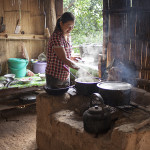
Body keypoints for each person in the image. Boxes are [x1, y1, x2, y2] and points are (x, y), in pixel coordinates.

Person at [46, 12, 79, 89]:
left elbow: (66, 55)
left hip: (65, 75)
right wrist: (80, 69)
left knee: (65, 99)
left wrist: (72, 58)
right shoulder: (56, 37)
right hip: (54, 76)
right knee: (55, 99)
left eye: (72, 26)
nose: (70, 29)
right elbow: (63, 58)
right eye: (69, 26)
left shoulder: (68, 35)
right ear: (61, 23)